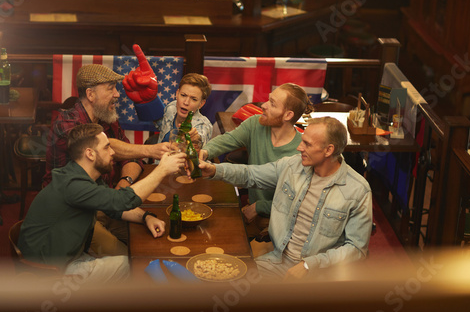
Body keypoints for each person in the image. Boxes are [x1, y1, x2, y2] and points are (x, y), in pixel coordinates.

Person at [199, 117, 373, 280]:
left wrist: (308, 265)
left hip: (321, 275)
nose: (299, 147)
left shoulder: (357, 190)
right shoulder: (292, 165)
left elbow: (356, 249)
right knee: (227, 280)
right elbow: (250, 174)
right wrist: (214, 170)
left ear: (329, 150)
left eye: (307, 144)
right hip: (277, 261)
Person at [19, 124, 187, 282]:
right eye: (107, 147)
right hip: (48, 272)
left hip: (66, 256)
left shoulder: (82, 175)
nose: (113, 152)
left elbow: (114, 207)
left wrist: (146, 217)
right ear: (90, 154)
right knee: (134, 265)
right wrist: (163, 169)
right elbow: (124, 199)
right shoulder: (75, 185)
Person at [44, 64, 169, 257]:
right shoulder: (66, 124)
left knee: (154, 241)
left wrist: (124, 182)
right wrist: (152, 150)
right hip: (74, 215)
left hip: (108, 204)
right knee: (126, 260)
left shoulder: (107, 117)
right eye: (110, 88)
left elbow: (132, 157)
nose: (117, 94)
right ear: (91, 94)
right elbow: (103, 144)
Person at [199, 83, 312, 235]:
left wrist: (259, 207)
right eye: (268, 100)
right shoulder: (255, 123)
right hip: (251, 212)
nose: (263, 105)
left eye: (272, 104)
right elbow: (227, 140)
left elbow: (299, 204)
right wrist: (205, 152)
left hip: (283, 221)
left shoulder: (301, 152)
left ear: (288, 115)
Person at [154, 73, 213, 145]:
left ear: (201, 104)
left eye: (193, 99)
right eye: (183, 95)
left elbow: (200, 137)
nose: (186, 102)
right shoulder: (171, 107)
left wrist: (195, 138)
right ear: (177, 94)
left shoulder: (204, 124)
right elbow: (162, 126)